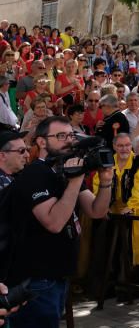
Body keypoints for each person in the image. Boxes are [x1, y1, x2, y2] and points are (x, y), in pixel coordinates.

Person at [5, 117, 113, 327]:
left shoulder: (65, 170)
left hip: (57, 275)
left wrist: (106, 182)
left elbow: (97, 211)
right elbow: (54, 223)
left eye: (71, 135)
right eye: (61, 136)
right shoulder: (35, 173)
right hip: (36, 279)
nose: (69, 141)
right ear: (42, 142)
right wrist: (75, 181)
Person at [90, 132, 139, 301]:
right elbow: (98, 184)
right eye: (120, 145)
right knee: (109, 251)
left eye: (127, 145)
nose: (124, 148)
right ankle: (109, 288)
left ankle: (131, 290)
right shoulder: (107, 163)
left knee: (133, 253)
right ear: (114, 147)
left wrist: (131, 207)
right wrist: (104, 206)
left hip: (134, 215)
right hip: (111, 214)